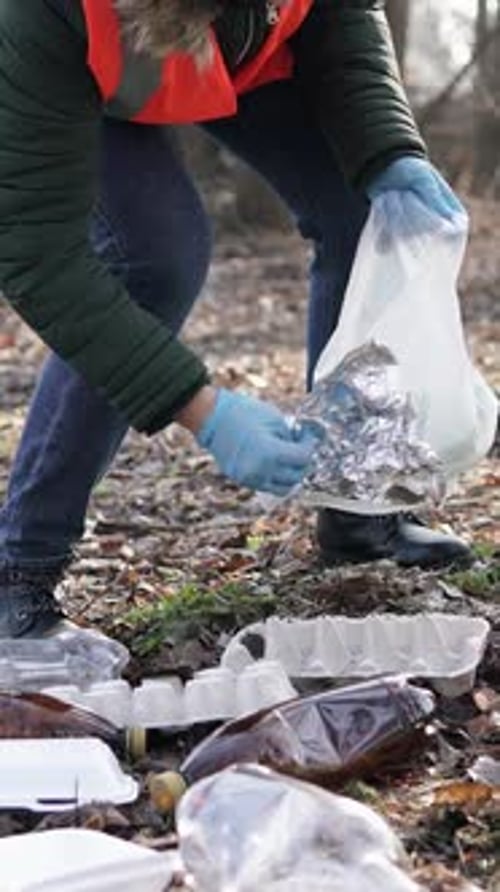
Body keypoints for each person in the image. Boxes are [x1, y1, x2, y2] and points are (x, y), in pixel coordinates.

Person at [0, 0, 471, 639]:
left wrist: (387, 147)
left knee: (363, 211)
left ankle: (356, 512)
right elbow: (39, 256)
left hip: (248, 61)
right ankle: (21, 567)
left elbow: (344, 13)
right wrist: (202, 410)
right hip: (91, 75)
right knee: (158, 257)